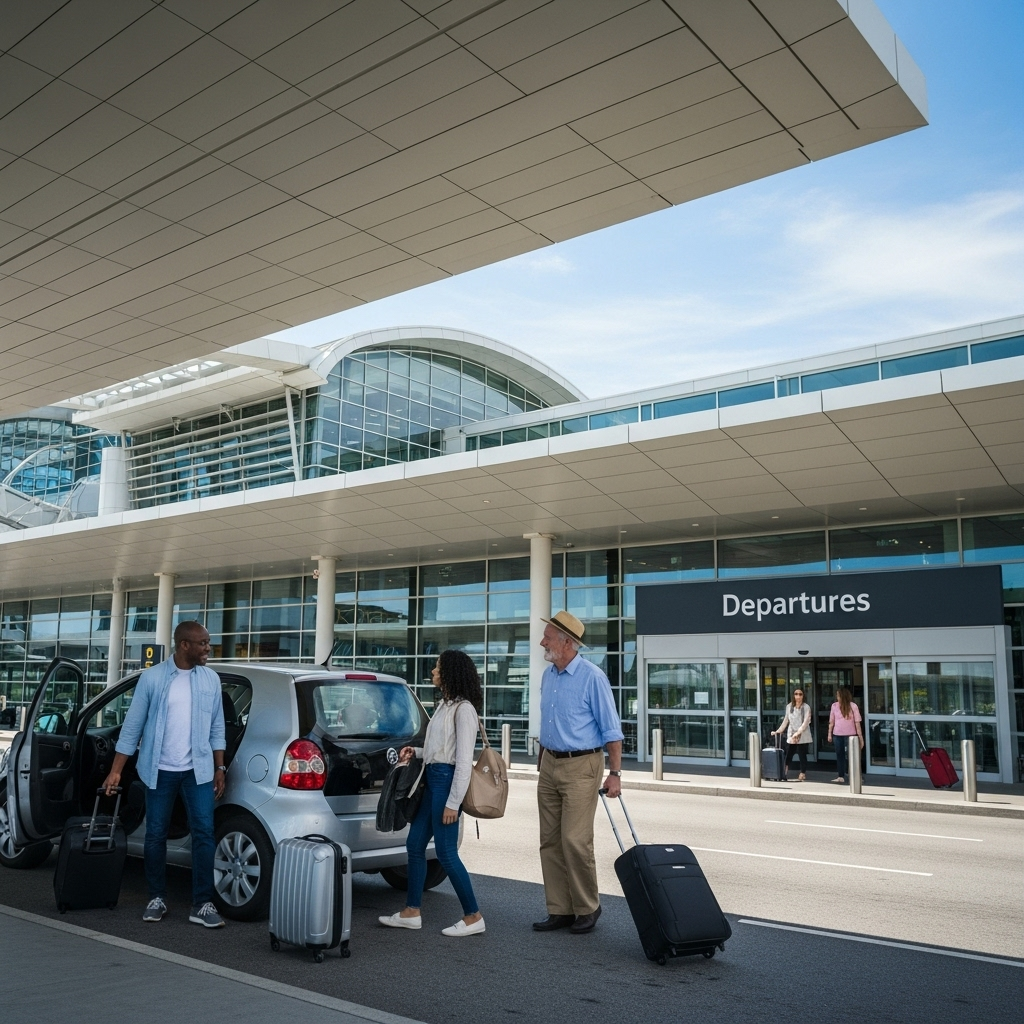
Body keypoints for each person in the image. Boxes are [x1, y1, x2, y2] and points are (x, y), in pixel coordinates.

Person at [102, 621, 226, 928]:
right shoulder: (153, 678)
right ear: (184, 645)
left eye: (208, 643)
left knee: (204, 834)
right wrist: (115, 771)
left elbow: (217, 728)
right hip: (159, 769)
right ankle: (156, 897)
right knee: (155, 835)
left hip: (197, 770)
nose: (207, 648)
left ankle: (202, 904)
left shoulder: (210, 679)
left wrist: (219, 767)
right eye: (203, 643)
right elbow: (132, 727)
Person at [379, 649, 485, 937]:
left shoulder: (464, 710)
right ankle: (412, 912)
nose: (433, 672)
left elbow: (463, 761)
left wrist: (453, 803)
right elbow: (441, 752)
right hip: (432, 779)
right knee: (414, 845)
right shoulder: (444, 706)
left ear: (450, 672)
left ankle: (473, 916)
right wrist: (418, 751)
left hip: (447, 784)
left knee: (446, 853)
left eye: (438, 668)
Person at [533, 610, 623, 936]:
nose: (542, 641)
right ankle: (560, 909)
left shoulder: (592, 677)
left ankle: (588, 906)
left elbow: (612, 731)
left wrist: (615, 774)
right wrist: (542, 759)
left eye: (548, 637)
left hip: (582, 765)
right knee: (550, 841)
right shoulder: (548, 676)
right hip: (550, 764)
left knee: (575, 839)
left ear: (567, 642)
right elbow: (549, 722)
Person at [772, 688, 811, 781]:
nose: (798, 696)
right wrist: (779, 731)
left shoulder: (806, 707)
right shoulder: (789, 706)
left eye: (800, 694)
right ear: (793, 695)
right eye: (796, 694)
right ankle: (784, 771)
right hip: (792, 733)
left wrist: (798, 733)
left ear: (803, 695)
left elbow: (806, 722)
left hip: (802, 733)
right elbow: (786, 720)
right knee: (789, 753)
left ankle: (802, 773)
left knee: (802, 754)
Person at [827, 686, 863, 784]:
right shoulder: (834, 706)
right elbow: (831, 721)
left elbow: (857, 722)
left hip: (850, 735)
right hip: (838, 734)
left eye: (838, 695)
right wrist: (829, 734)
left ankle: (855, 775)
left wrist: (860, 737)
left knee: (851, 756)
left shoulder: (853, 706)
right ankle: (841, 775)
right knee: (840, 755)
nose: (837, 697)